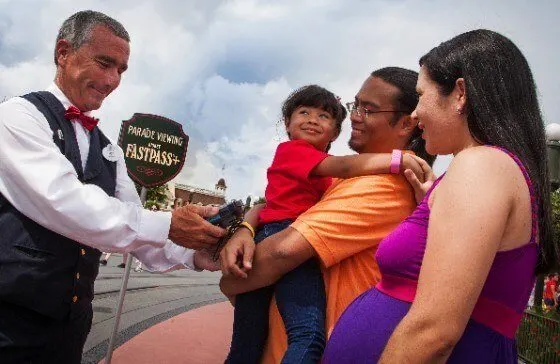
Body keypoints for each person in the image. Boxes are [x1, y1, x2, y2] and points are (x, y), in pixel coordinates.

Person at [0, 10, 224, 364]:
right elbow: (65, 202)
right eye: (105, 63)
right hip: (10, 322)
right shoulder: (18, 116)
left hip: (70, 327)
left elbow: (134, 227)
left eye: (121, 69)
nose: (112, 79)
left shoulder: (108, 149)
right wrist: (170, 223)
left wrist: (198, 251)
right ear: (63, 52)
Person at [321, 29, 558, 363]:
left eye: (421, 95)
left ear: (460, 93)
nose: (415, 114)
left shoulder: (481, 164)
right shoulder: (490, 169)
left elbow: (434, 332)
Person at [220, 67, 435, 363]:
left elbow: (280, 253)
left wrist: (231, 281)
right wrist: (245, 227)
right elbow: (272, 205)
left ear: (406, 124)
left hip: (315, 351)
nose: (356, 116)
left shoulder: (383, 185)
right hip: (279, 350)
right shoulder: (344, 179)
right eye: (355, 105)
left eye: (368, 109)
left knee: (301, 338)